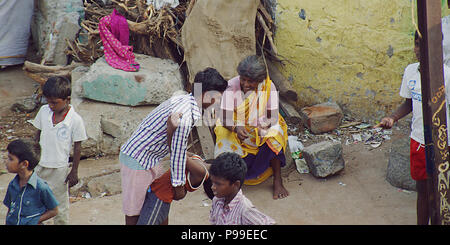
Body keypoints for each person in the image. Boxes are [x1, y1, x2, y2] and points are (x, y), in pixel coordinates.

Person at [120, 67, 228, 225]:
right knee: (134, 210)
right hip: (138, 160)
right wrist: (178, 187)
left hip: (147, 158)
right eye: (218, 97)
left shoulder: (184, 101)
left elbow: (178, 147)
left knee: (155, 202)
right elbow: (177, 154)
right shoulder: (185, 117)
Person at [375, 31, 450, 225]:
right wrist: (392, 117)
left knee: (441, 192)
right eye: (416, 44)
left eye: (423, 45)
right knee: (423, 192)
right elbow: (408, 103)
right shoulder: (410, 71)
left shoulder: (446, 75)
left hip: (443, 143)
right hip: (418, 141)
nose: (418, 50)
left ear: (437, 46)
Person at [214, 55, 289, 199]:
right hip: (236, 126)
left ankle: (278, 180)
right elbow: (224, 117)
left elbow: (273, 115)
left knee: (274, 133)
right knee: (222, 131)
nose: (245, 84)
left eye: (251, 81)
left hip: (259, 126)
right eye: (243, 79)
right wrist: (236, 128)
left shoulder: (268, 86)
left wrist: (264, 125)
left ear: (260, 80)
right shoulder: (231, 86)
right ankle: (226, 181)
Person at [32, 76, 88, 225]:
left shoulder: (75, 120)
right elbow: (36, 135)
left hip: (59, 170)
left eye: (54, 103)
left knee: (59, 204)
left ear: (67, 99)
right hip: (40, 165)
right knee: (38, 201)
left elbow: (77, 148)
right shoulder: (44, 111)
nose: (50, 105)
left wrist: (74, 171)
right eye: (48, 101)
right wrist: (31, 159)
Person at [137, 153, 209, 225]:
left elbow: (181, 155)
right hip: (159, 195)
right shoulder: (200, 169)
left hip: (160, 196)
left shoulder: (198, 162)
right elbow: (179, 194)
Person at [207, 152, 275, 225]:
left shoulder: (245, 210)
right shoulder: (216, 201)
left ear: (236, 184)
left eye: (218, 184)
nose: (213, 187)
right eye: (212, 182)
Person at [3, 139, 59, 225]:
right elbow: (10, 209)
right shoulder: (12, 185)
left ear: (24, 164)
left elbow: (54, 210)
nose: (6, 162)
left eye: (11, 159)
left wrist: (35, 221)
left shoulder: (41, 187)